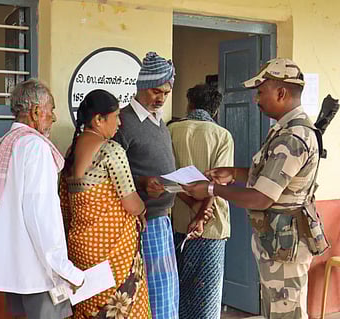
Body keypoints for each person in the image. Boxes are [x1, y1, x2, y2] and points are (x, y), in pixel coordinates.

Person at [184, 58, 329, 319]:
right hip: (277, 242)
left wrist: (211, 190)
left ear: (281, 93)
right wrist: (236, 173)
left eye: (261, 92)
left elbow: (261, 197)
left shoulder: (292, 137)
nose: (256, 100)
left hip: (285, 246)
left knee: (286, 314)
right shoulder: (286, 131)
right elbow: (274, 178)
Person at [0, 79, 85, 319]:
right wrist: (66, 270)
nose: (54, 117)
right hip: (40, 273)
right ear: (37, 112)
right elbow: (41, 217)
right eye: (51, 110)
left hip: (15, 270)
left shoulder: (0, 146)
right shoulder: (35, 148)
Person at [60, 89, 150, 318]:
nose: (119, 123)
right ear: (98, 120)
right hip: (113, 254)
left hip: (81, 250)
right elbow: (130, 204)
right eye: (116, 117)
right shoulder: (111, 150)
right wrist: (143, 207)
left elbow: (65, 205)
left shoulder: (71, 152)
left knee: (87, 307)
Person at [113, 51, 179, 319]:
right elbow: (113, 170)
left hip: (162, 219)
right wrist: (141, 182)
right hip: (143, 221)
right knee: (154, 293)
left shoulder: (158, 121)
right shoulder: (123, 122)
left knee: (167, 291)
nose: (161, 98)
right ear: (140, 86)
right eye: (155, 91)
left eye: (166, 92)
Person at [167, 83, 234, 319]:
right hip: (211, 226)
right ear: (215, 110)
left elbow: (169, 177)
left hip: (178, 223)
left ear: (190, 104)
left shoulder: (172, 130)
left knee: (179, 290)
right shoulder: (222, 135)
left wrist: (193, 206)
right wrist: (202, 214)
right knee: (207, 296)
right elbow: (219, 183)